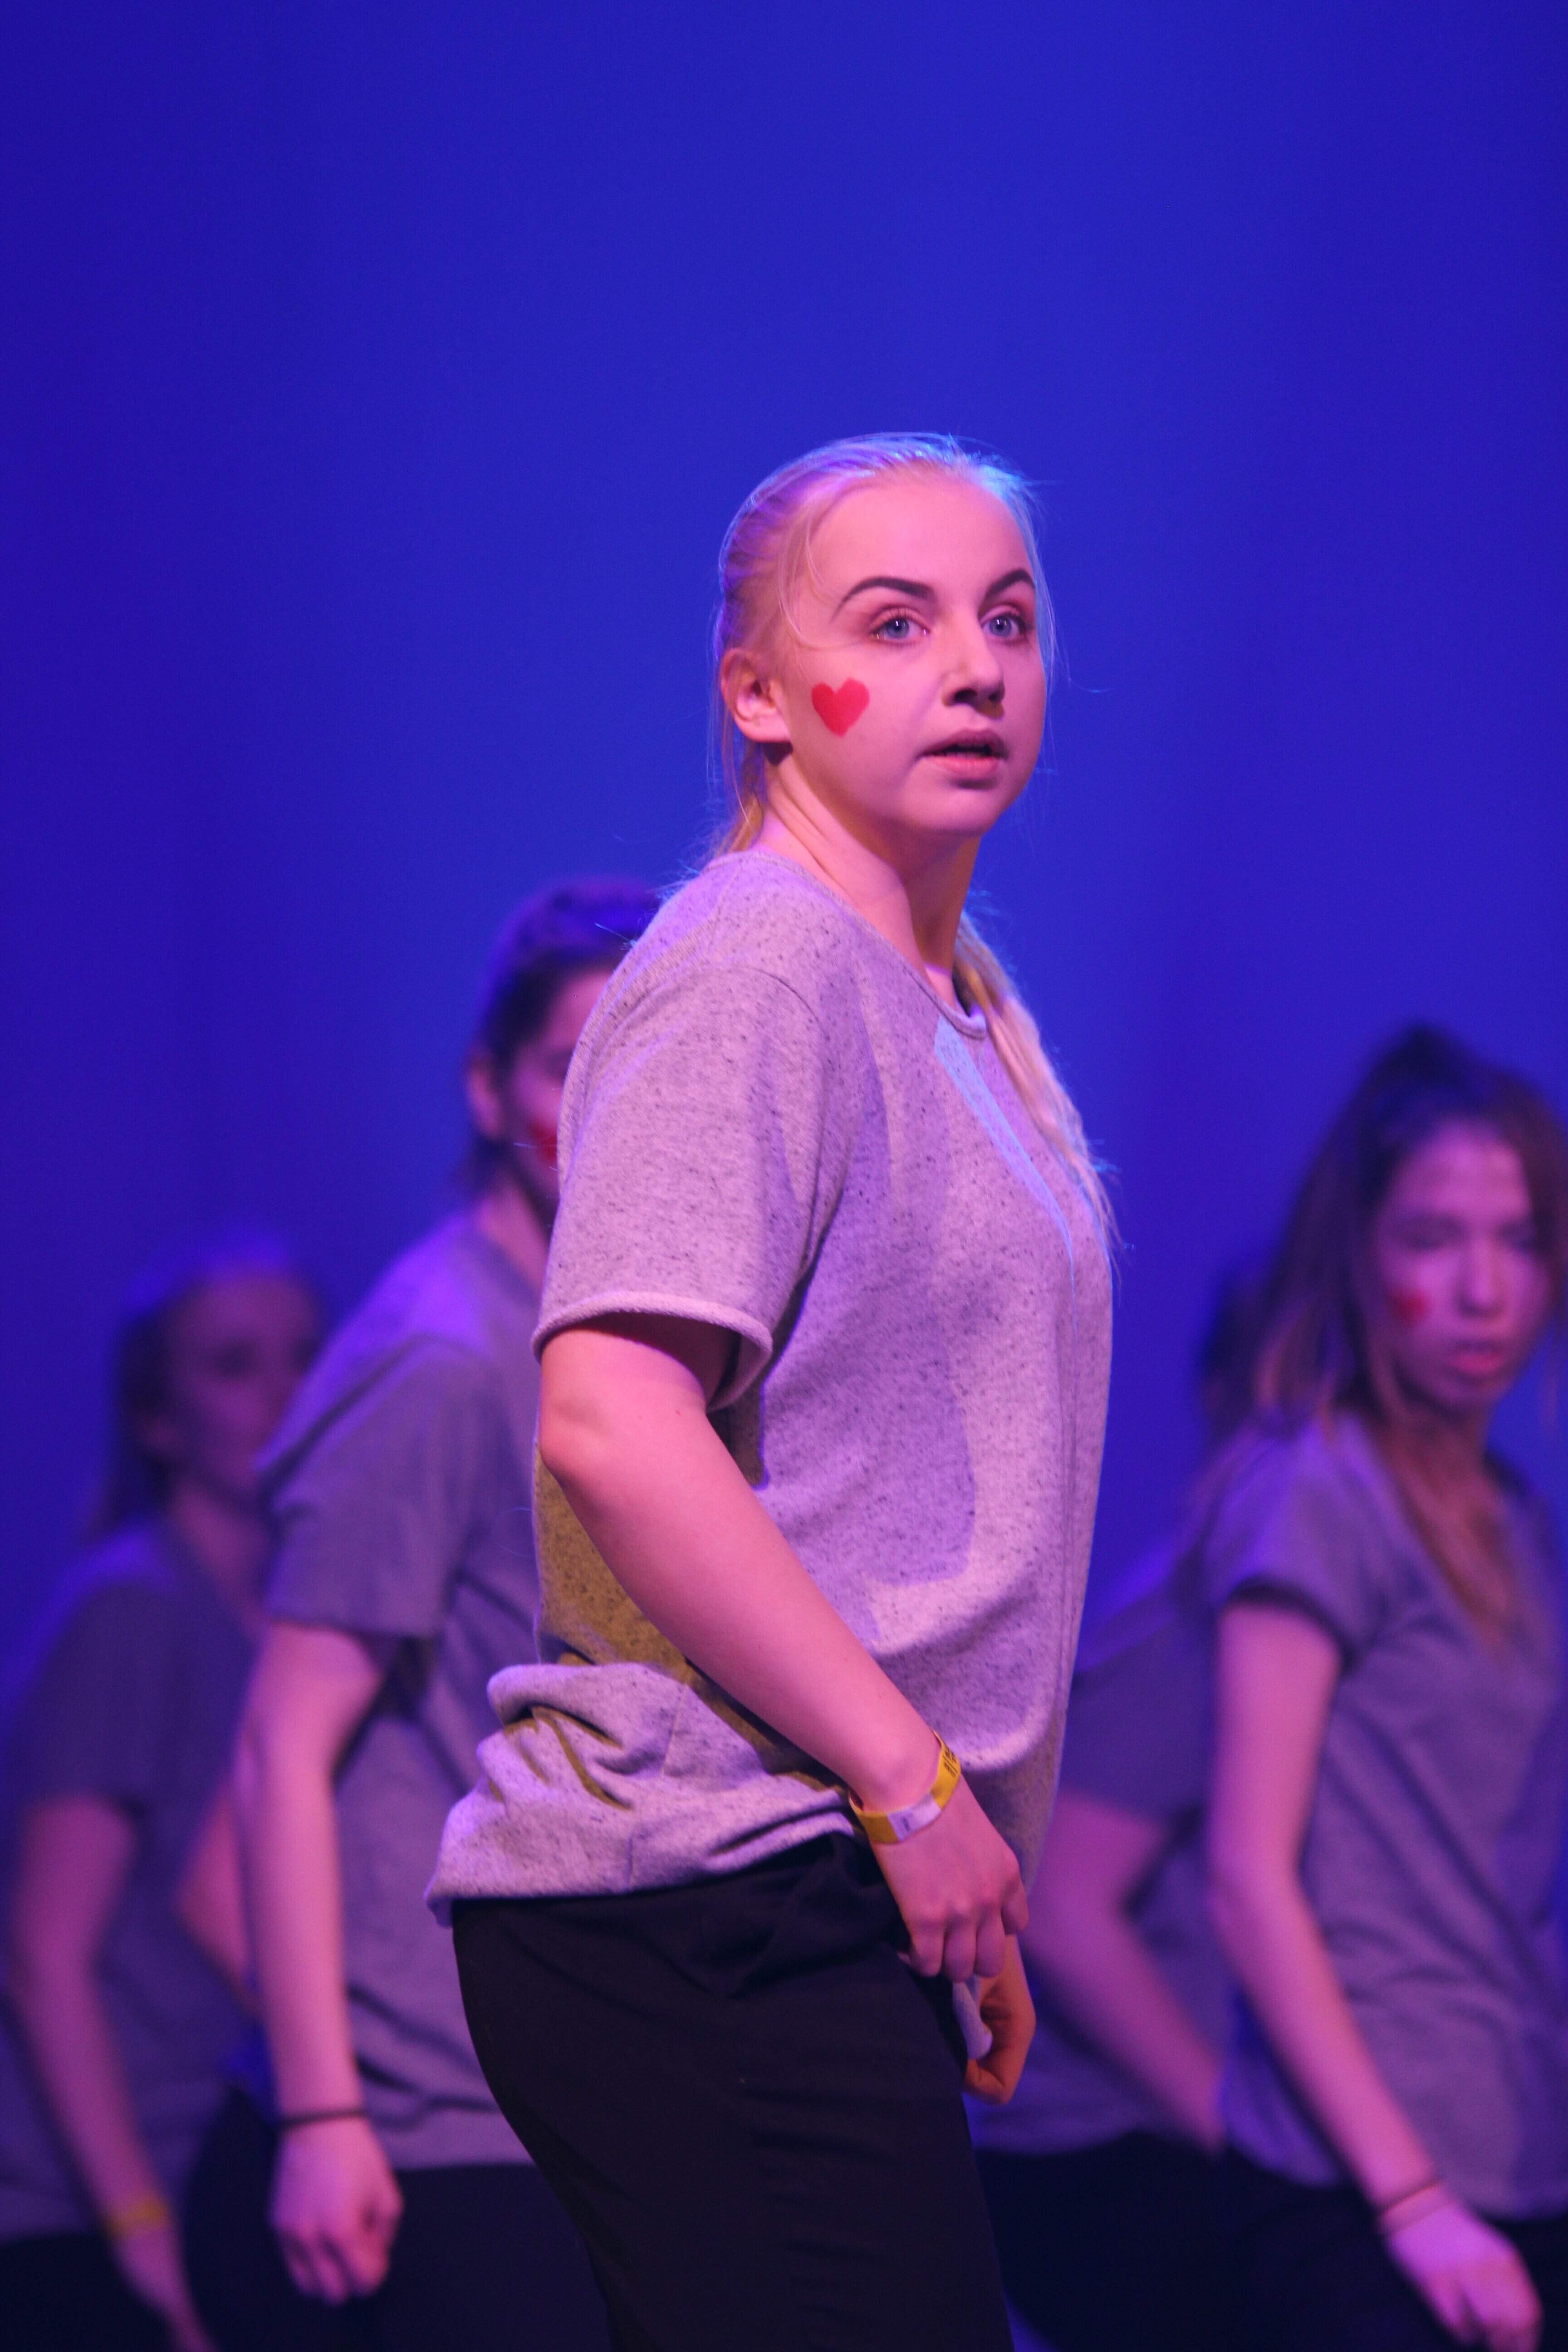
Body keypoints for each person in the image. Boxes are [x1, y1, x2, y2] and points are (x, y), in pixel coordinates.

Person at [427, 433, 1115, 2352]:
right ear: (757, 694)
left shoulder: (956, 998)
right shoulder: (755, 965)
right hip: (701, 1883)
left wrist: (952, 1845)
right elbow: (610, 1419)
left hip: (819, 1875)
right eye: (891, 626)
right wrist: (912, 1787)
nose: (969, 667)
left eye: (1005, 620)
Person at [185, 882, 657, 2352]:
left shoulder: (604, 1349)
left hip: (547, 2092)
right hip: (429, 2137)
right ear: (487, 1088)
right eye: (570, 1066)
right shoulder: (441, 1357)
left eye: (648, 1064)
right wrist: (327, 2112)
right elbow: (274, 1752)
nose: (611, 1108)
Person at [1203, 1025, 1568, 2352]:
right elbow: (1247, 1876)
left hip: (1510, 2159)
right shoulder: (1321, 1492)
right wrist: (1414, 2203)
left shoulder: (1513, 1517)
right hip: (1365, 2197)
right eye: (1432, 1239)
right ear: (1360, 1256)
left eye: (1521, 1240)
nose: (1483, 1290)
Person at [0, 1237, 322, 2352]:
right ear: (157, 1418)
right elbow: (43, 1954)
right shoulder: (133, 1608)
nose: (282, 1391)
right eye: (234, 1364)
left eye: (305, 1355)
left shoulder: (286, 1619)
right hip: (95, 2216)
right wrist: (143, 2239)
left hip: (219, 2173)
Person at [972, 1271, 1261, 2352]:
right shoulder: (1199, 1620)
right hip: (1105, 2152)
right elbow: (1062, 1906)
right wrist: (1239, 2130)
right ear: (1225, 1396)